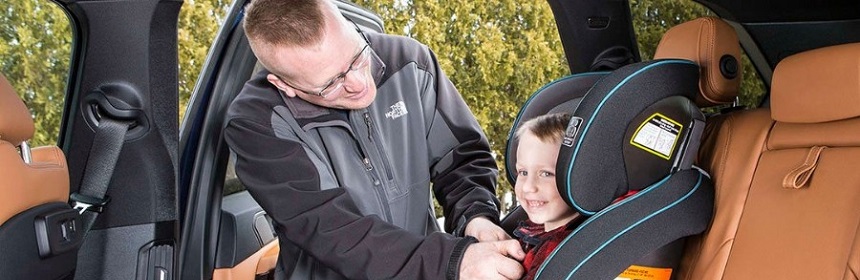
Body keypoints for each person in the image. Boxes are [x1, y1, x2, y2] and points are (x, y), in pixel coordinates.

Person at [223, 0, 524, 279]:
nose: (358, 83)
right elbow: (330, 228)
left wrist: (475, 217)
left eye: (357, 55)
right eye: (331, 84)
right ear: (284, 85)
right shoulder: (256, 122)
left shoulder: (411, 62)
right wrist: (453, 261)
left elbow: (461, 158)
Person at [510, 113, 583, 280]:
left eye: (546, 173)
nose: (528, 187)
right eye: (523, 172)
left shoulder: (562, 249)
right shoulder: (531, 233)